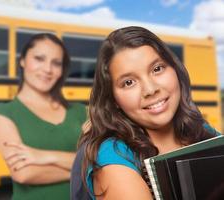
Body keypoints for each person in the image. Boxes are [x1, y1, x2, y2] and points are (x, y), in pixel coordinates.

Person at [70, 26, 220, 200]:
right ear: (113, 100)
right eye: (129, 82)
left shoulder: (201, 129)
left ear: (176, 70)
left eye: (157, 69)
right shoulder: (114, 154)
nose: (150, 90)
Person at [0, 33, 87, 200]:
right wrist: (84, 170)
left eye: (56, 63)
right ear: (22, 61)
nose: (47, 69)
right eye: (39, 59)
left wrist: (43, 156)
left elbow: (100, 160)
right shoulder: (3, 113)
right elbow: (24, 173)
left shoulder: (81, 111)